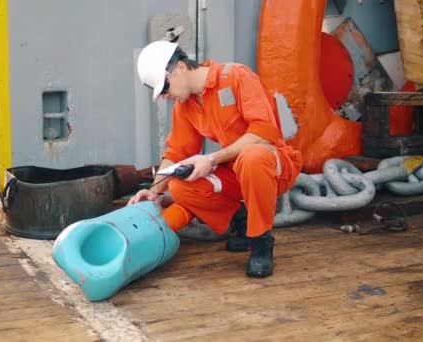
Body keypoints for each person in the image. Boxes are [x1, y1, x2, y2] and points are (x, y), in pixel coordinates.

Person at [128, 41, 302, 278]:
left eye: (165, 88)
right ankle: (240, 221)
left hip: (272, 165)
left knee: (252, 157)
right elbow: (176, 152)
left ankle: (261, 242)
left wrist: (211, 159)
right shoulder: (186, 105)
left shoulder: (237, 77)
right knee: (179, 186)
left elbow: (264, 133)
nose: (167, 96)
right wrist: (155, 191)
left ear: (179, 68)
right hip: (236, 173)